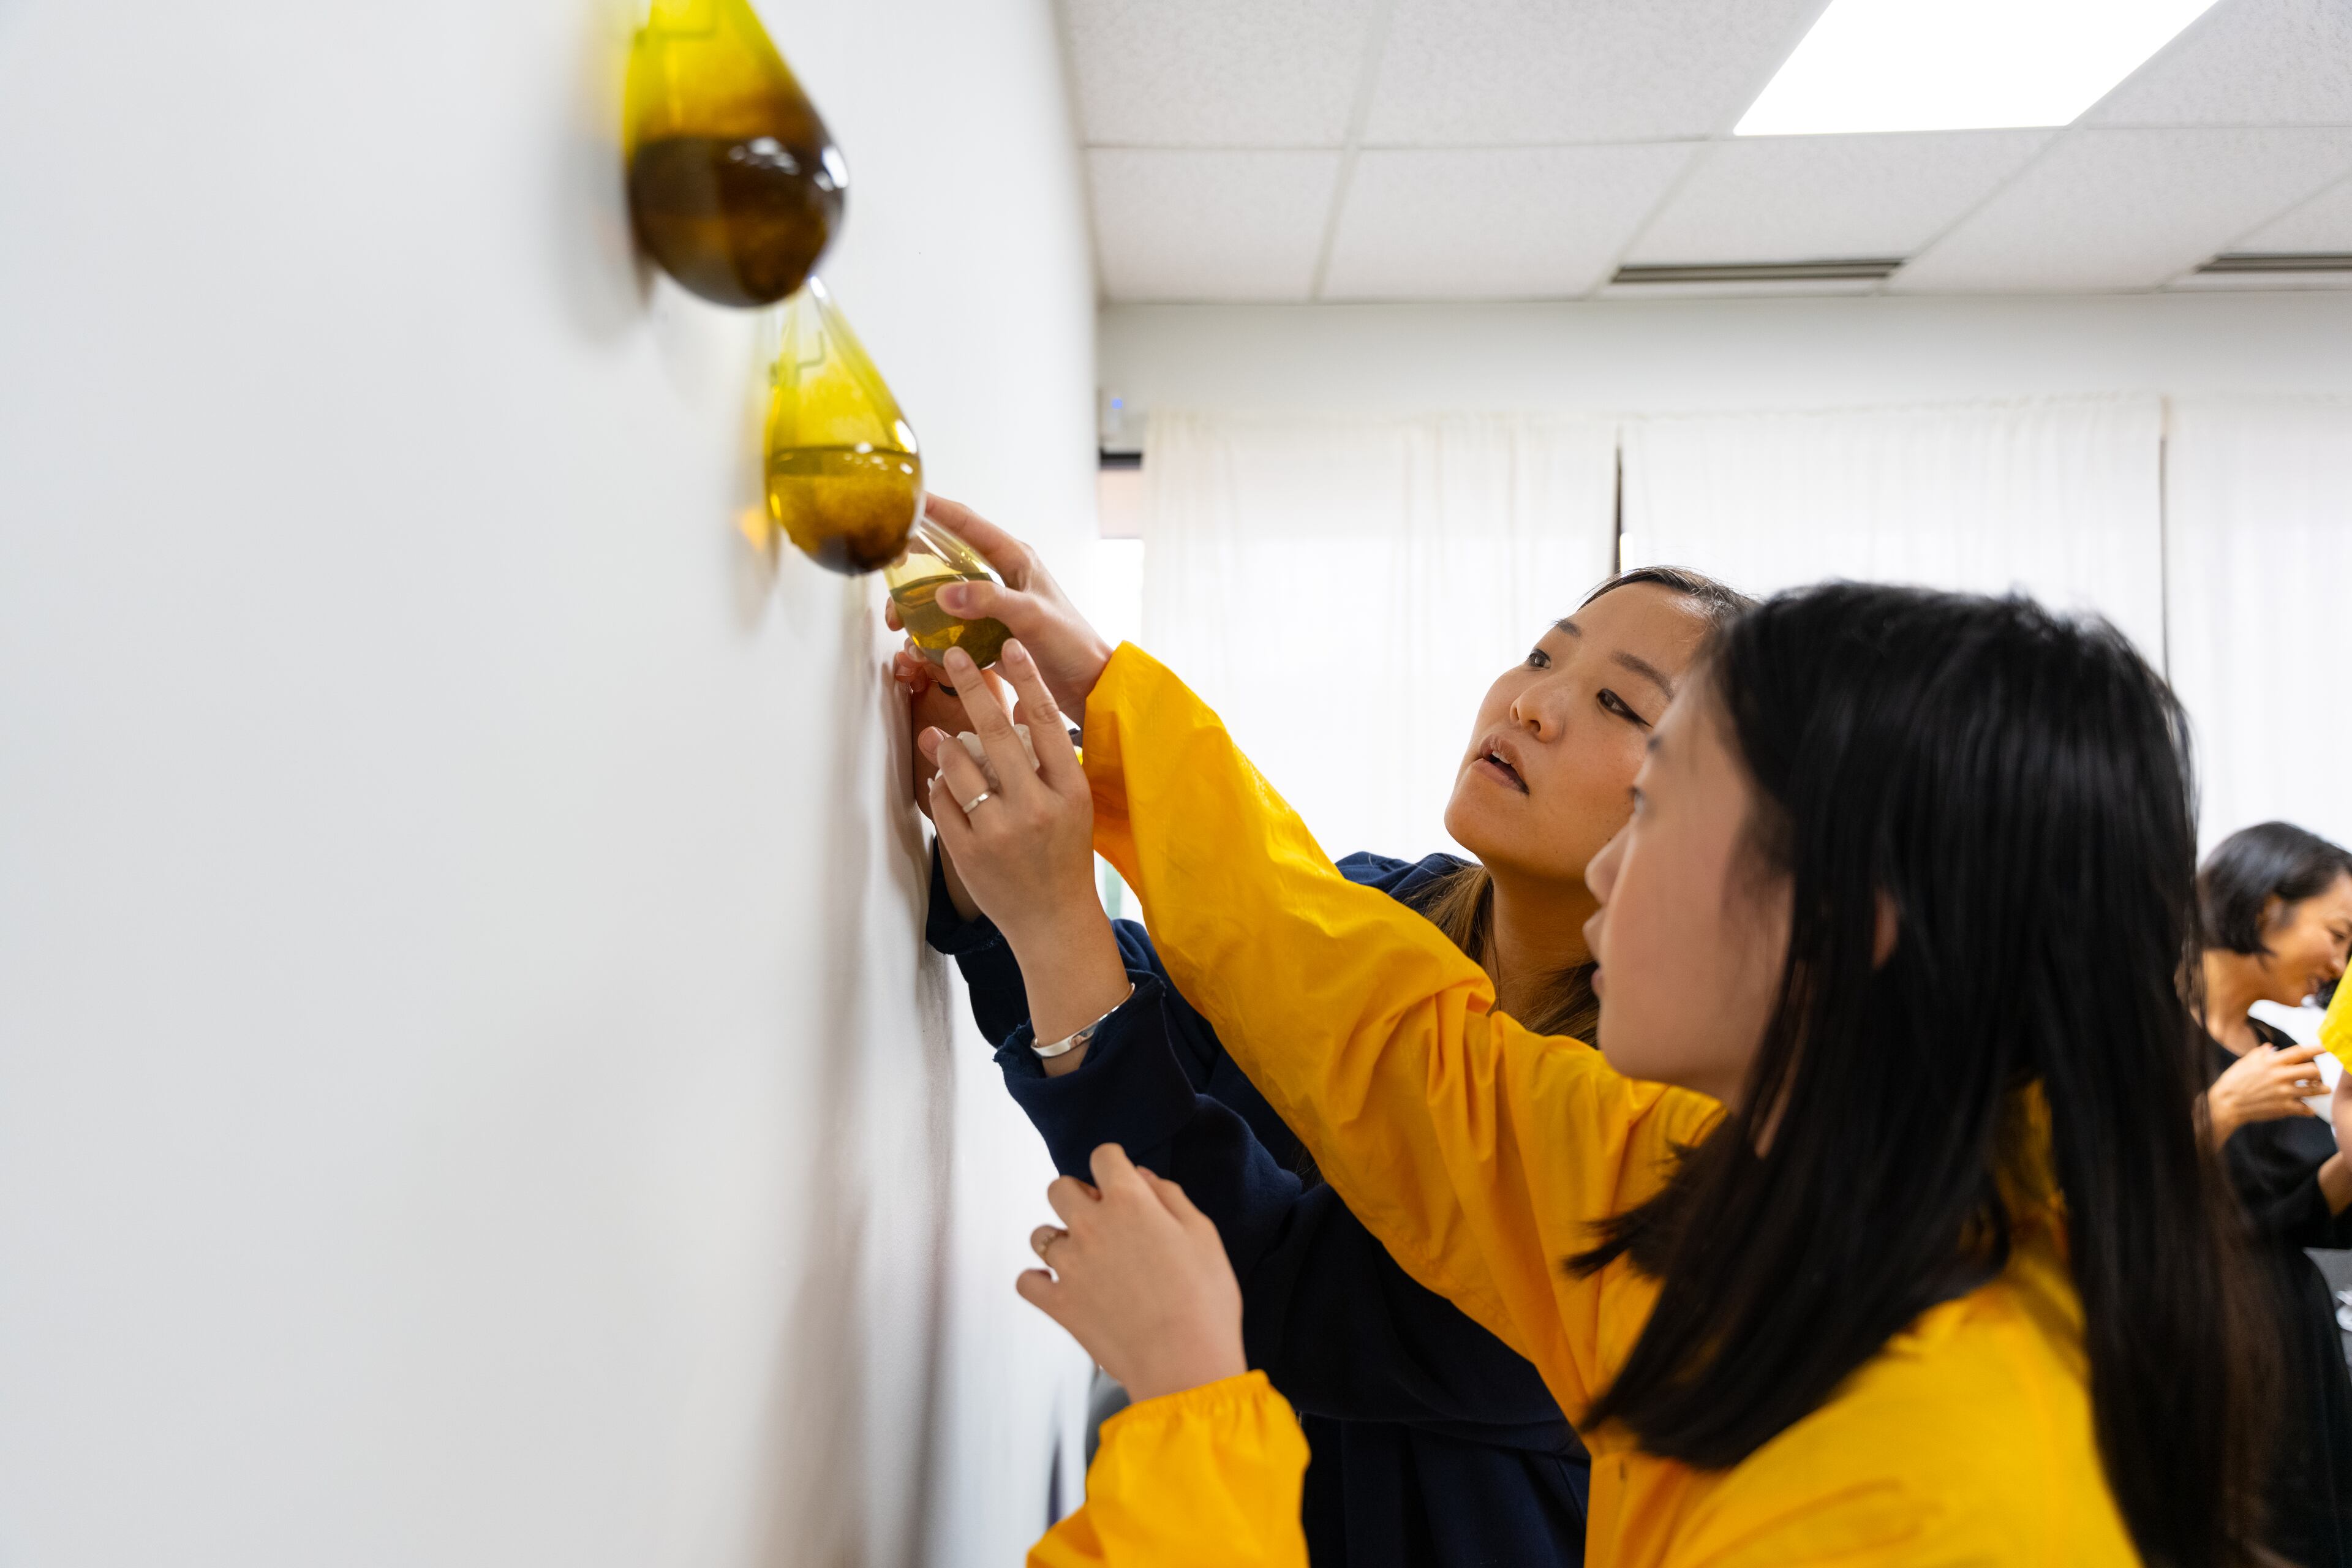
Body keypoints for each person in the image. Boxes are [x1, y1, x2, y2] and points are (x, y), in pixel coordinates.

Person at [918, 554, 2274, 1565]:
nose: (1615, 861)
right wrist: (1117, 719)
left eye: (1660, 798)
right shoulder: (1733, 1189)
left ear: (1846, 922)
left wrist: (1198, 1416)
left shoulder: (1930, 1491)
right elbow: (1396, 1038)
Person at [893, 499, 1746, 1568]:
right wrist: (1002, 835)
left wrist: (1053, 912)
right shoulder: (1391, 905)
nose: (1535, 704)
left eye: (1621, 704)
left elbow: (1284, 1291)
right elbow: (1186, 1016)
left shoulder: (1641, 1146)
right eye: (1543, 654)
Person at [2196, 821, 2352, 1567]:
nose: (2339, 962)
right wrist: (2222, 1109)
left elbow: (2292, 1210)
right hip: (2205, 1342)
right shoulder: (2138, 1031)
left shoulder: (2270, 1044)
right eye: (2338, 932)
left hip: (2294, 1343)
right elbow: (2103, 1193)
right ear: (2265, 910)